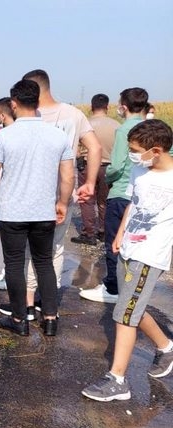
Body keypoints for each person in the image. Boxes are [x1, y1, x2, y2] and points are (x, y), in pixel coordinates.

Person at [81, 119, 173, 401]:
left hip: (149, 256)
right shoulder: (139, 169)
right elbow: (134, 204)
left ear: (155, 150)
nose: (132, 154)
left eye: (135, 150)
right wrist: (120, 234)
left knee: (125, 314)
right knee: (129, 305)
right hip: (129, 248)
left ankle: (118, 380)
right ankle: (166, 347)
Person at [0, 79, 75, 336]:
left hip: (13, 212)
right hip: (44, 211)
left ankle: (20, 320)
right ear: (38, 103)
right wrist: (62, 202)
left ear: (13, 103)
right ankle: (51, 318)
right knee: (44, 263)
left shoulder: (4, 136)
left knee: (14, 264)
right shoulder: (58, 136)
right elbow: (68, 177)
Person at [80, 88, 149, 303]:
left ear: (123, 106)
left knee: (114, 242)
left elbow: (117, 166)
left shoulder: (124, 130)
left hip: (121, 191)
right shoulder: (151, 128)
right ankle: (134, 286)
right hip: (144, 193)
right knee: (136, 242)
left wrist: (108, 177)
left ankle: (113, 287)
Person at [71, 94, 121, 246]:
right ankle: (104, 231)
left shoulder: (86, 124)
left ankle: (89, 233)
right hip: (109, 167)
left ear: (91, 107)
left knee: (87, 201)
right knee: (104, 201)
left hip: (88, 165)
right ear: (107, 107)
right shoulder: (116, 125)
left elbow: (75, 148)